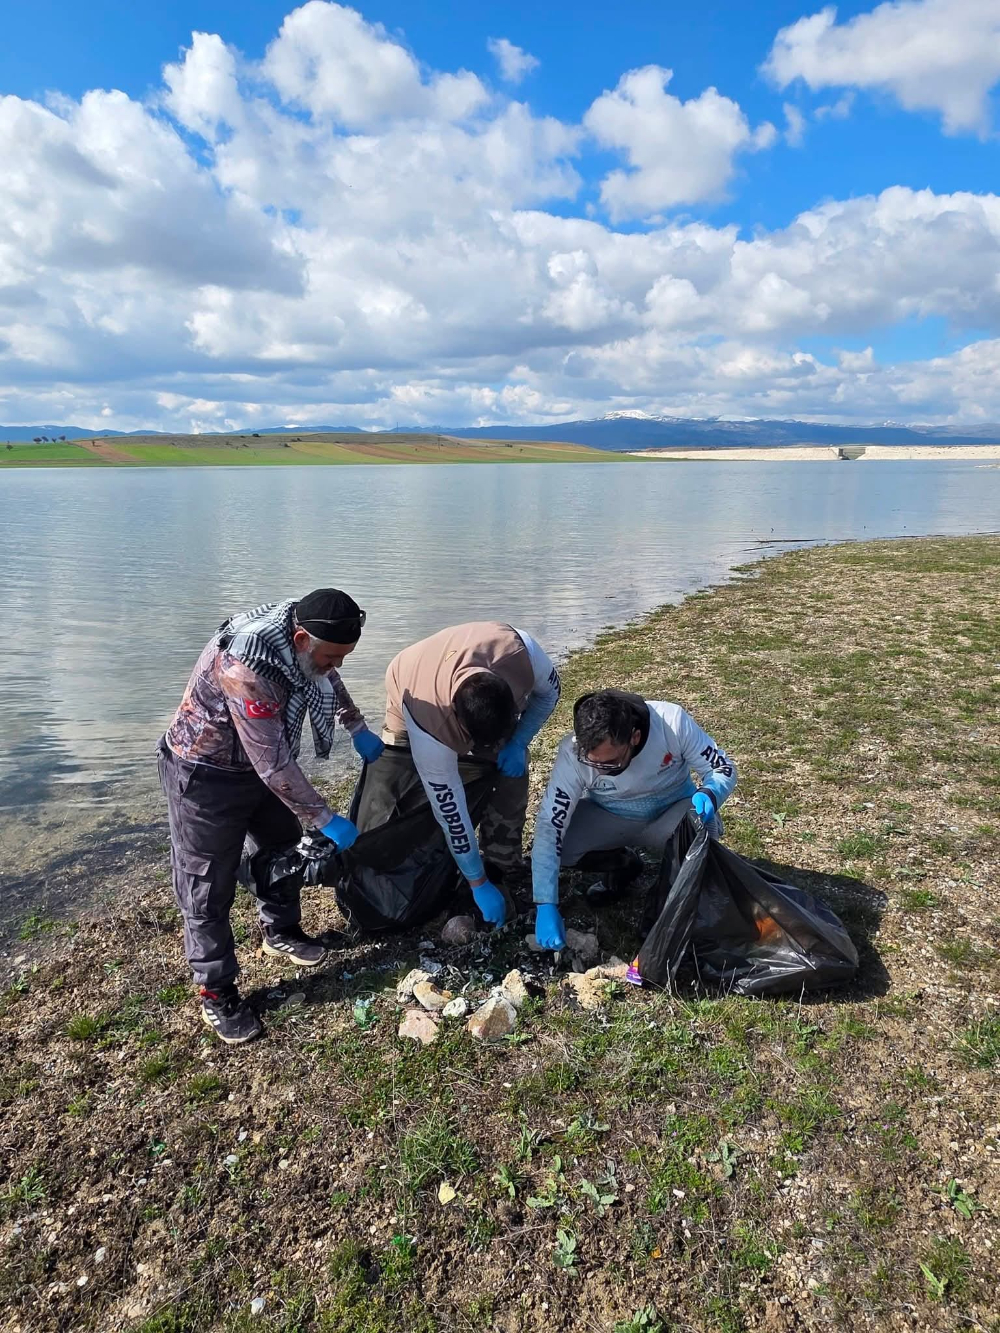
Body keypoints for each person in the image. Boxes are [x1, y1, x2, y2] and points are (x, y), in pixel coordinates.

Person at [158, 588, 384, 1044]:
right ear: (301, 639)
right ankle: (215, 991)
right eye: (330, 657)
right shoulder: (247, 668)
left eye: (344, 656)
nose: (334, 666)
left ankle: (279, 930)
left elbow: (325, 677)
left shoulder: (303, 640)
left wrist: (356, 724)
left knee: (282, 845)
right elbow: (274, 766)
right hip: (205, 771)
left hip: (260, 763)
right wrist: (324, 817)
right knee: (206, 883)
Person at [356, 621, 561, 926]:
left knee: (510, 772)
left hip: (472, 653)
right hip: (408, 679)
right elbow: (450, 812)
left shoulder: (522, 655)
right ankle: (387, 862)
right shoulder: (431, 729)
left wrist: (517, 742)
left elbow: (549, 696)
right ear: (459, 721)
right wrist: (478, 885)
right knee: (398, 779)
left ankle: (502, 861)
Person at [530, 689, 738, 950]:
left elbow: (722, 768)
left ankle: (677, 897)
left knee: (700, 830)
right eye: (592, 762)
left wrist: (711, 792)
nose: (599, 769)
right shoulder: (572, 753)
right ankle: (622, 864)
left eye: (611, 763)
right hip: (612, 816)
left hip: (671, 814)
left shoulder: (671, 722)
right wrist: (545, 903)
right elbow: (551, 824)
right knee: (562, 844)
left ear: (635, 738)